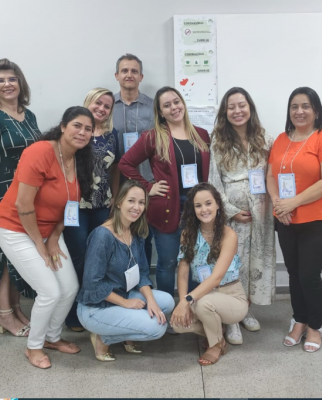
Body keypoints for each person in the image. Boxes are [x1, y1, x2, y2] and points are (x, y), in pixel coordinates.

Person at [0, 106, 94, 368]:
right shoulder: (40, 152)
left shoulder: (80, 160)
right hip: (15, 228)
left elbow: (70, 208)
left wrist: (53, 238)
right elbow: (23, 204)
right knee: (49, 291)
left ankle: (51, 337)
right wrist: (40, 244)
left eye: (88, 129)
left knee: (69, 288)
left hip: (48, 231)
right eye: (77, 126)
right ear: (63, 126)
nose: (82, 132)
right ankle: (33, 347)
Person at [268, 87, 322, 352]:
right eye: (294, 106)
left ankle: (314, 325)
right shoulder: (281, 139)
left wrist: (293, 202)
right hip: (286, 220)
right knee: (293, 273)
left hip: (319, 220)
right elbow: (270, 176)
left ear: (316, 111)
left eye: (306, 106)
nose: (299, 111)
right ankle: (299, 320)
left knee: (309, 274)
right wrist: (279, 204)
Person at [119, 86, 210, 300]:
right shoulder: (152, 137)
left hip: (198, 208)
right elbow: (125, 163)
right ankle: (167, 307)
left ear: (183, 104)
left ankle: (191, 306)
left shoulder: (202, 135)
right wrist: (148, 187)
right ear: (160, 112)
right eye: (167, 105)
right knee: (168, 262)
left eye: (176, 102)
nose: (174, 107)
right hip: (168, 208)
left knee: (195, 260)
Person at [0, 58, 41, 337]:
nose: (7, 84)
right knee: (4, 256)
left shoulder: (29, 115)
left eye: (12, 79)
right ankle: (3, 314)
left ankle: (15, 308)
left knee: (19, 255)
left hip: (29, 197)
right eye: (0, 80)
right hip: (4, 197)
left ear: (20, 82)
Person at [76, 180, 174, 361]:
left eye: (141, 202)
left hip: (124, 292)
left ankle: (125, 329)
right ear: (119, 202)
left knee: (167, 301)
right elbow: (92, 284)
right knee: (157, 329)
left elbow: (142, 273)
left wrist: (151, 301)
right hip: (96, 307)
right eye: (131, 201)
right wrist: (125, 303)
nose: (137, 207)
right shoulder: (102, 236)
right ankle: (103, 338)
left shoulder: (135, 231)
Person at [208, 87, 275, 345]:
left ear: (250, 108)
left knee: (253, 263)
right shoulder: (218, 141)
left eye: (242, 105)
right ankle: (231, 318)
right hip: (232, 218)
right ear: (225, 112)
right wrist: (232, 212)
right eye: (231, 107)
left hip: (261, 215)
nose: (237, 111)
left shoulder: (265, 138)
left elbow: (272, 175)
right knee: (232, 264)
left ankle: (246, 309)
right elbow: (214, 182)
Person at [171, 183, 248, 365]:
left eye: (208, 203)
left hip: (232, 295)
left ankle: (216, 344)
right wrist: (182, 302)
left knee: (202, 303)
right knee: (177, 324)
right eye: (198, 205)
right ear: (193, 209)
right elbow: (183, 272)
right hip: (205, 294)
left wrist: (187, 301)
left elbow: (216, 278)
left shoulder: (229, 235)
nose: (204, 209)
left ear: (217, 204)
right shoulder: (188, 234)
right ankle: (215, 329)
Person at [63, 88, 120, 332]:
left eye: (107, 106)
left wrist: (115, 195)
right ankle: (73, 314)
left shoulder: (113, 134)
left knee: (100, 258)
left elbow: (115, 168)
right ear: (88, 102)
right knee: (78, 257)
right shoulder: (77, 130)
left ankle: (96, 306)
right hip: (75, 206)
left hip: (101, 206)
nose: (102, 108)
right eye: (98, 103)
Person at [112, 53, 156, 267]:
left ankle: (143, 279)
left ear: (141, 77)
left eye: (134, 71)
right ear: (117, 76)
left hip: (146, 180)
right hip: (115, 182)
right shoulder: (107, 106)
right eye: (124, 71)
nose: (129, 75)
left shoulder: (154, 107)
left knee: (144, 235)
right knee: (117, 235)